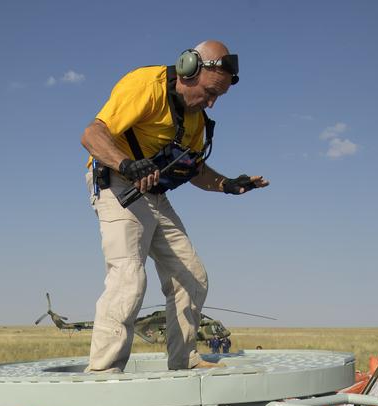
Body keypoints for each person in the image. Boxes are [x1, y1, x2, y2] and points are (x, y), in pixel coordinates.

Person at [81, 40, 268, 373]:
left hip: (153, 194)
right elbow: (93, 135)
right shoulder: (145, 86)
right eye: (210, 92)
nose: (211, 102)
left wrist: (227, 184)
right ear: (189, 68)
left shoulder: (195, 120)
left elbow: (195, 169)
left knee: (192, 277)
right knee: (129, 275)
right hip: (117, 182)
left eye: (218, 97)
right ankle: (103, 374)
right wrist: (126, 165)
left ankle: (182, 365)